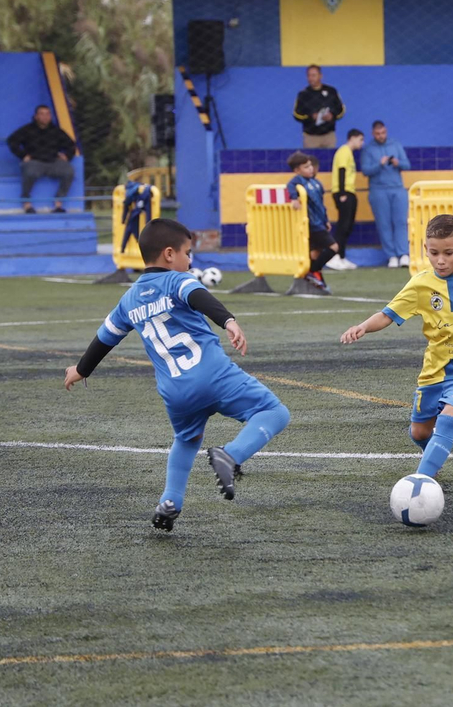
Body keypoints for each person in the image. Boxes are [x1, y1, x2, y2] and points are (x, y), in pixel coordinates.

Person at [63, 218, 290, 531]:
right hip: (213, 374)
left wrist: (80, 369)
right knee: (274, 412)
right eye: (188, 253)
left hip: (175, 391)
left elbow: (105, 339)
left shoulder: (128, 301)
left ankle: (170, 501)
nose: (190, 260)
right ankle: (232, 455)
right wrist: (229, 322)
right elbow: (201, 298)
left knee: (186, 440)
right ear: (169, 254)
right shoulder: (177, 281)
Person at [339, 214, 453, 487]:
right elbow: (388, 314)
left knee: (448, 419)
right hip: (435, 369)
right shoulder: (420, 285)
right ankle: (433, 460)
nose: (440, 260)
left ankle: (420, 483)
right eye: (434, 253)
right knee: (420, 433)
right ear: (426, 250)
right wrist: (362, 326)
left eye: (448, 253)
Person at [7, 105, 78, 214]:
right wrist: (23, 155)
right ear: (36, 116)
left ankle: (58, 203)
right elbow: (11, 141)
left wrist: (67, 156)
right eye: (42, 114)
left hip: (53, 162)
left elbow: (71, 145)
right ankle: (27, 203)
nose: (45, 117)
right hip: (35, 161)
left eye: (48, 114)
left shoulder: (56, 131)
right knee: (30, 172)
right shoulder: (27, 130)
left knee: (69, 171)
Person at [360, 120, 412, 268]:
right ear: (373, 133)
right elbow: (365, 170)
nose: (381, 136)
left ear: (386, 131)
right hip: (378, 190)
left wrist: (397, 163)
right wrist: (380, 164)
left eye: (383, 133)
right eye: (377, 134)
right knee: (384, 224)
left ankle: (403, 254)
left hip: (397, 188)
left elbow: (407, 165)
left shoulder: (395, 144)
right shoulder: (368, 149)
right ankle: (391, 256)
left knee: (401, 222)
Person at [287, 152, 343, 288]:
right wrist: (294, 198)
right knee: (334, 247)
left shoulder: (316, 183)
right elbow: (290, 185)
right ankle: (312, 271)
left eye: (310, 165)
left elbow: (320, 204)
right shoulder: (298, 181)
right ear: (297, 170)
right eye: (306, 167)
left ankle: (315, 277)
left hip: (320, 222)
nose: (310, 168)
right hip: (312, 224)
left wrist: (326, 220)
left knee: (315, 253)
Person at [330, 129, 366, 266]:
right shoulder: (344, 151)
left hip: (350, 191)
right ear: (353, 138)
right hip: (344, 191)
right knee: (343, 226)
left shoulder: (348, 152)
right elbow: (342, 171)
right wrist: (342, 193)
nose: (362, 143)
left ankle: (341, 256)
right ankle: (333, 256)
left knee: (348, 226)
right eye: (361, 139)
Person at [293, 64, 345, 149]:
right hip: (311, 137)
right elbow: (296, 114)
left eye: (313, 75)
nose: (311, 78)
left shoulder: (332, 91)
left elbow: (341, 110)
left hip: (329, 136)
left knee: (329, 161)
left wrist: (332, 116)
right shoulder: (303, 94)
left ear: (320, 76)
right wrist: (311, 117)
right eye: (308, 75)